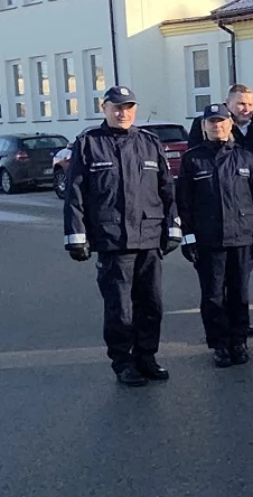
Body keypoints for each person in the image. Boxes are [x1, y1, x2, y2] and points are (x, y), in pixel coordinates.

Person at [62, 86, 181, 386]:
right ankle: (123, 362)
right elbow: (75, 194)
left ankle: (146, 357)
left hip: (150, 237)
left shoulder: (150, 143)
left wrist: (174, 226)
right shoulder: (89, 143)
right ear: (104, 108)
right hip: (113, 239)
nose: (122, 112)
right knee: (120, 308)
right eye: (116, 107)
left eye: (128, 107)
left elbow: (167, 190)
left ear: (135, 109)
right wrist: (76, 235)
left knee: (151, 304)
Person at [176, 103, 253, 367]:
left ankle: (239, 341)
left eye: (221, 121)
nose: (217, 126)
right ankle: (219, 344)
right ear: (204, 127)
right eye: (211, 122)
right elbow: (184, 202)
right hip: (209, 240)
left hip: (241, 238)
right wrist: (188, 237)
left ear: (230, 124)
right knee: (213, 295)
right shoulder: (193, 159)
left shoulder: (245, 157)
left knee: (240, 293)